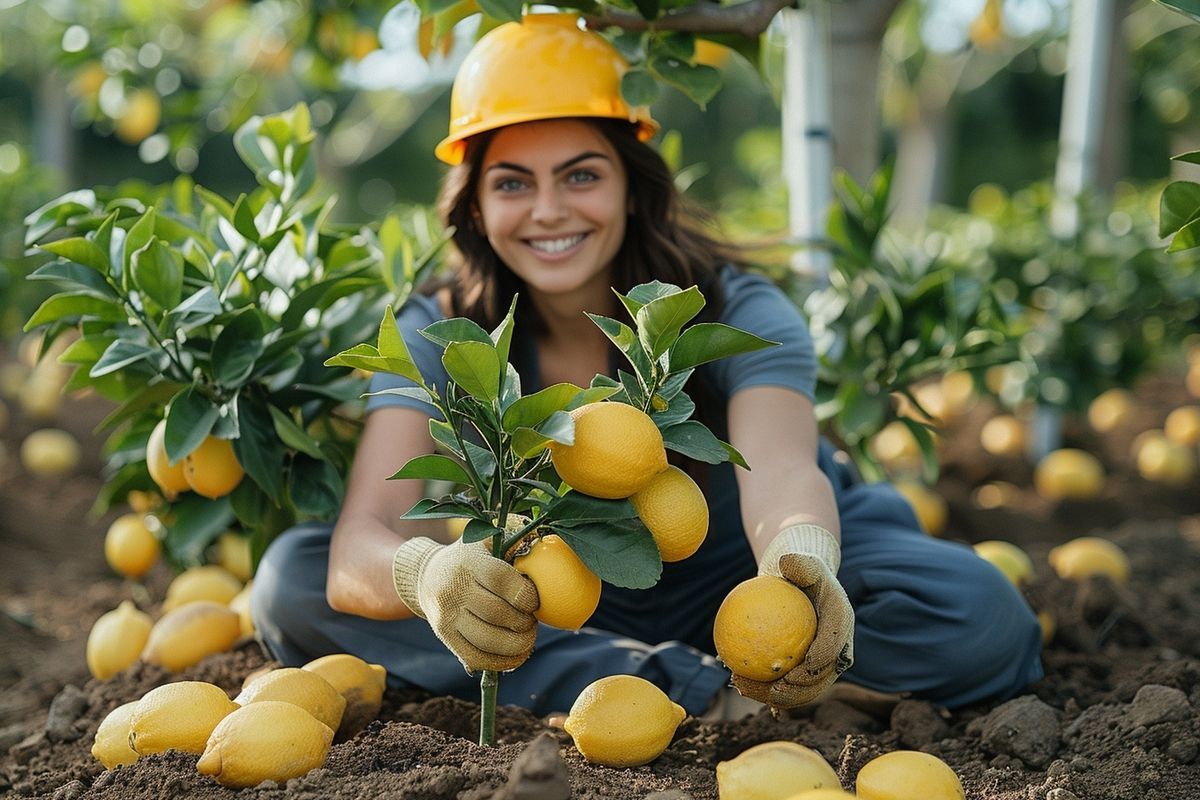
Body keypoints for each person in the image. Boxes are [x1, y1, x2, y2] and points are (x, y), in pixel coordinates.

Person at [252, 12, 1043, 719]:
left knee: (979, 616)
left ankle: (699, 677)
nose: (550, 211)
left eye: (581, 175)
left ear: (632, 186)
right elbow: (360, 542)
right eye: (512, 183)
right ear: (476, 206)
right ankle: (686, 691)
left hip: (741, 570)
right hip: (572, 599)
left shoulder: (731, 307)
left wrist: (801, 573)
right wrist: (428, 576)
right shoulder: (441, 331)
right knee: (290, 580)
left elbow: (779, 470)